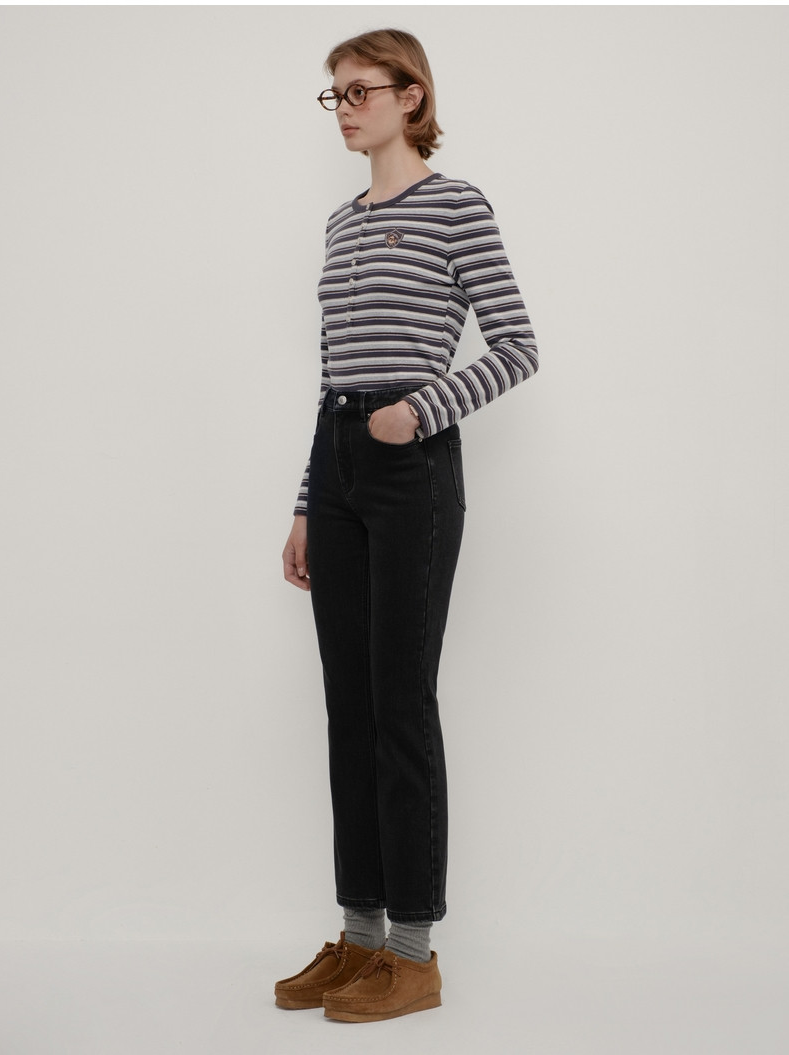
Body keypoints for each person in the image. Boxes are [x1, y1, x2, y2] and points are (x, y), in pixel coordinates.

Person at [276, 28, 538, 1022]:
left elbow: (517, 345)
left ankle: (415, 954)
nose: (343, 109)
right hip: (340, 462)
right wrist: (308, 499)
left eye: (359, 91)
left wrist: (421, 411)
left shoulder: (455, 206)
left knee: (399, 703)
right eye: (334, 95)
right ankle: (359, 935)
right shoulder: (341, 225)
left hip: (411, 468)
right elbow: (329, 376)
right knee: (347, 705)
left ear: (410, 96)